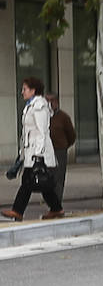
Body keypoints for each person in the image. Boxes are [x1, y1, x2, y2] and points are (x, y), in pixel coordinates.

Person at [3, 76, 63, 221]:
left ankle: (17, 211)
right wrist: (22, 153)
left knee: (29, 182)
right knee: (42, 183)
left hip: (37, 152)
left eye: (25, 89)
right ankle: (56, 209)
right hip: (31, 152)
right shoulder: (31, 105)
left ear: (33, 90)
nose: (22, 92)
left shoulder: (39, 106)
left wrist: (38, 155)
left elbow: (42, 132)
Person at [46, 93, 76, 205]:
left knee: (58, 177)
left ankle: (56, 203)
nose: (49, 104)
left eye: (52, 101)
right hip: (46, 151)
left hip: (59, 150)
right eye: (47, 101)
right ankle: (50, 201)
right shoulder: (43, 116)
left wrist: (64, 145)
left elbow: (71, 135)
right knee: (48, 176)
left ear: (56, 102)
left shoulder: (63, 117)